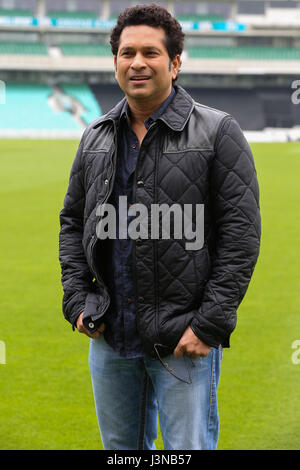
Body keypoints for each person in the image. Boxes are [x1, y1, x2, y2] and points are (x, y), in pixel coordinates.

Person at [59, 3, 261, 450]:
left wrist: (209, 324)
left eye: (150, 52)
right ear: (114, 61)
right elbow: (73, 223)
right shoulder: (95, 136)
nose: (137, 63)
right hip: (110, 335)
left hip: (183, 339)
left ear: (174, 62)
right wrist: (76, 299)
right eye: (127, 52)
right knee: (121, 451)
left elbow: (240, 239)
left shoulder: (218, 132)